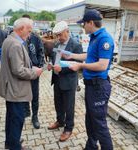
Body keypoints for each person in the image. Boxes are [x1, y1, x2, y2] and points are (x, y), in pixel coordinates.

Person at [63, 9, 114, 150]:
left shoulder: (104, 39)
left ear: (91, 23)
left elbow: (102, 65)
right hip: (91, 87)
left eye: (83, 24)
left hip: (98, 87)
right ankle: (91, 147)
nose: (82, 27)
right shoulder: (94, 37)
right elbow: (89, 56)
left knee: (99, 123)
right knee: (90, 120)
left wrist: (80, 66)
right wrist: (72, 55)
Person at [0, 18, 43, 150]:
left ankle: (10, 141)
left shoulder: (9, 40)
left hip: (11, 88)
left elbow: (15, 66)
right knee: (17, 119)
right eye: (29, 30)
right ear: (21, 29)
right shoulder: (16, 44)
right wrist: (34, 73)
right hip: (17, 90)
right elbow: (18, 70)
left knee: (11, 117)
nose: (30, 33)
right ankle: (14, 146)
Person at [47, 21, 83, 142]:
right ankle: (60, 121)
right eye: (56, 35)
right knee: (58, 103)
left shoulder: (76, 45)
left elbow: (77, 65)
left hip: (68, 81)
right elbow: (55, 58)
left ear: (67, 31)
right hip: (56, 79)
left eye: (60, 35)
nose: (58, 38)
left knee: (69, 106)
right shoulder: (57, 44)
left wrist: (62, 69)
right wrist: (51, 65)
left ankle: (68, 128)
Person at [22, 14, 45, 129]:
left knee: (35, 95)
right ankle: (26, 110)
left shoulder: (36, 38)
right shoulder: (19, 38)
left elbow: (41, 52)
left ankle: (35, 116)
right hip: (23, 72)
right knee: (24, 93)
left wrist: (40, 67)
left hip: (35, 71)